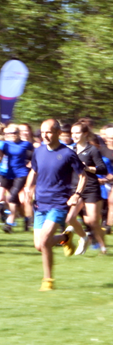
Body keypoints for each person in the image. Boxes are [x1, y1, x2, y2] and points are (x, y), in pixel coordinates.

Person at [25, 119, 85, 291]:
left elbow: (83, 176)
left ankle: (48, 280)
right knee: (39, 245)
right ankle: (65, 238)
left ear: (58, 133)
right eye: (42, 132)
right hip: (40, 203)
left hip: (58, 203)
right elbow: (34, 171)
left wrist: (76, 195)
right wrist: (28, 188)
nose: (45, 135)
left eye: (49, 132)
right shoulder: (38, 151)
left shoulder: (68, 154)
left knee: (44, 241)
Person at [69, 122, 108, 255]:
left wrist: (87, 168)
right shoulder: (70, 150)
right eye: (72, 133)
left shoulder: (92, 150)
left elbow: (103, 168)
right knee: (70, 218)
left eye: (77, 133)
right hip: (76, 189)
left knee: (92, 221)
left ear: (85, 134)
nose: (74, 135)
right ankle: (84, 238)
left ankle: (103, 247)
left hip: (91, 188)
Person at [0, 125, 34, 234]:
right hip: (8, 174)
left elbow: (35, 156)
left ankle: (9, 224)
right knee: (13, 200)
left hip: (21, 174)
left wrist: (32, 164)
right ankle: (27, 218)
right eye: (9, 133)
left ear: (18, 133)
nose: (11, 135)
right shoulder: (5, 144)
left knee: (12, 197)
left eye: (14, 133)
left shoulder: (26, 144)